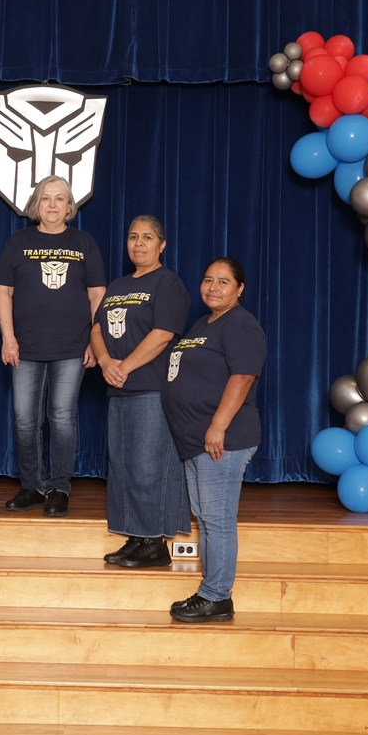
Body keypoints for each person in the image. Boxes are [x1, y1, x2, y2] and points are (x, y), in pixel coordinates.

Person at [0, 176, 106, 517]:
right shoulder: (18, 242)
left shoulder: (85, 242)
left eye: (60, 199)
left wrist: (94, 341)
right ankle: (32, 486)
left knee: (62, 419)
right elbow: (2, 292)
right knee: (25, 420)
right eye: (46, 198)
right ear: (36, 206)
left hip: (71, 348)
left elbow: (97, 294)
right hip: (25, 348)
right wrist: (8, 338)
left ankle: (59, 487)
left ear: (70, 207)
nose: (53, 204)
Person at [163, 258, 266, 623]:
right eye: (208, 280)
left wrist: (217, 426)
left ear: (240, 289)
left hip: (222, 439)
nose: (213, 287)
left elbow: (242, 378)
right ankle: (212, 592)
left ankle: (217, 596)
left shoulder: (240, 324)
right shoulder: (202, 323)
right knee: (206, 518)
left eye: (223, 281)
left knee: (217, 518)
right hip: (195, 440)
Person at [91, 215, 191, 568]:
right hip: (118, 388)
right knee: (123, 465)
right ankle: (135, 537)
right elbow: (97, 329)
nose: (138, 243)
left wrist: (124, 366)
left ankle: (154, 543)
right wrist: (105, 362)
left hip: (151, 386)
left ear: (161, 245)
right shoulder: (118, 285)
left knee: (149, 466)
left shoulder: (168, 283)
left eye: (147, 237)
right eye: (133, 236)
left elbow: (163, 334)